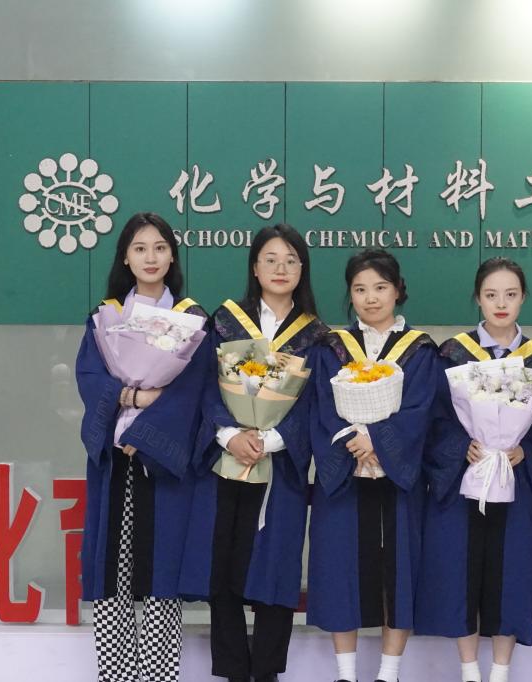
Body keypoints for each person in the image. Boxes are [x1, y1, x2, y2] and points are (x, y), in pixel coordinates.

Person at [180, 224, 328, 682]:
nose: (281, 268)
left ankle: (265, 672)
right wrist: (229, 434)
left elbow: (316, 403)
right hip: (227, 460)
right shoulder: (225, 321)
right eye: (271, 259)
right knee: (223, 565)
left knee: (275, 568)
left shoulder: (317, 335)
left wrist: (272, 439)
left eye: (291, 260)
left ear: (302, 269)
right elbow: (204, 386)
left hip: (279, 465)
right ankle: (231, 670)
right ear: (255, 267)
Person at [76, 212, 209, 682]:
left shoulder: (193, 319)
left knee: (160, 570)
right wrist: (131, 400)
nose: (150, 257)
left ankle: (158, 675)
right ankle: (115, 675)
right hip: (115, 459)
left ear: (172, 256)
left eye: (159, 247)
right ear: (126, 258)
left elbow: (196, 391)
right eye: (139, 248)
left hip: (162, 461)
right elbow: (90, 377)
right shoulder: (106, 316)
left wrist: (146, 434)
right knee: (112, 569)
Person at [415, 257, 532, 682]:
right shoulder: (452, 354)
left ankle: (500, 672)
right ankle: (468, 672)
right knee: (461, 573)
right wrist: (462, 447)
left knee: (509, 575)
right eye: (491, 294)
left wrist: (526, 451)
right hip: (464, 480)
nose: (501, 304)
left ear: (523, 297)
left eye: (510, 294)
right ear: (477, 298)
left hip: (516, 484)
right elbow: (433, 418)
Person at [308, 248, 438, 682]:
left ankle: (389, 672)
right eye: (360, 289)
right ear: (350, 294)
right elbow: (321, 405)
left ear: (398, 290)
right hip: (346, 470)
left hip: (397, 477)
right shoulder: (331, 347)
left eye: (380, 287)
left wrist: (378, 441)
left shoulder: (420, 349)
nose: (370, 298)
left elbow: (422, 408)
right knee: (340, 566)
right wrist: (354, 441)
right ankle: (346, 673)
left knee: (398, 572)